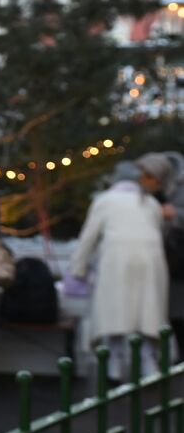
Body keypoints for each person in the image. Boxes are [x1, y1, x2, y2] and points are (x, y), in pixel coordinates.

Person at [69, 161, 168, 379]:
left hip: (116, 260)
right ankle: (148, 361)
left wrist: (78, 268)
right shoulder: (150, 202)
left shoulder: (104, 201)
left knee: (114, 311)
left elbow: (88, 238)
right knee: (146, 311)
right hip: (150, 261)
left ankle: (113, 362)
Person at [137, 151, 184, 359]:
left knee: (179, 313)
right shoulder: (148, 193)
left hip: (180, 261)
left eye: (149, 176)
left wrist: (175, 215)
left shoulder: (179, 191)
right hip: (165, 261)